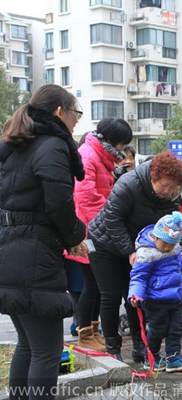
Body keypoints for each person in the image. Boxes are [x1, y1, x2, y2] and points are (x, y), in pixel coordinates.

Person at [0, 84, 89, 398]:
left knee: (28, 344)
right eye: (76, 112)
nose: (78, 119)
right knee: (47, 351)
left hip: (11, 249)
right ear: (58, 112)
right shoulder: (50, 145)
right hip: (35, 254)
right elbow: (59, 203)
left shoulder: (16, 143)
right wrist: (76, 236)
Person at [87, 150, 182, 362]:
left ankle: (139, 346)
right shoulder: (129, 184)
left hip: (139, 247)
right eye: (164, 186)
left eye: (173, 188)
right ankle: (113, 348)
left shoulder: (171, 193)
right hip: (106, 244)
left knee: (135, 297)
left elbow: (173, 223)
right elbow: (112, 220)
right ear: (153, 177)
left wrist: (179, 245)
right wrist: (130, 252)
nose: (168, 191)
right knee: (111, 295)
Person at [69, 117, 133, 352]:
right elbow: (85, 198)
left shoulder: (99, 155)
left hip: (96, 229)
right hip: (88, 232)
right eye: (121, 144)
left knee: (96, 284)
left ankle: (93, 332)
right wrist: (108, 220)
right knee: (92, 285)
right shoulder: (88, 155)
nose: (121, 150)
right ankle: (85, 333)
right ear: (112, 140)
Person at [128, 212, 182, 373]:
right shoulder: (147, 254)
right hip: (155, 300)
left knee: (176, 328)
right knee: (158, 329)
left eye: (171, 245)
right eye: (165, 244)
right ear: (155, 237)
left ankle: (173, 357)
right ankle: (152, 356)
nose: (168, 248)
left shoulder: (174, 250)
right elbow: (138, 277)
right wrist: (135, 294)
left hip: (176, 297)